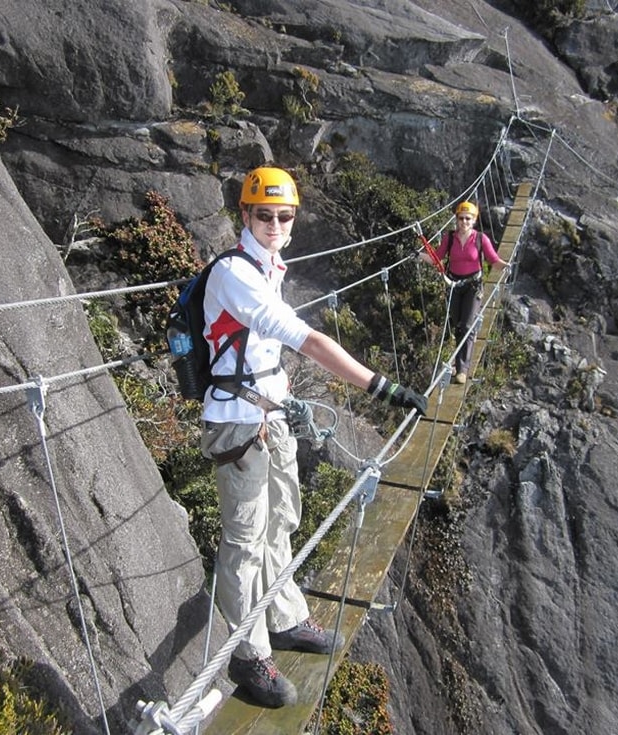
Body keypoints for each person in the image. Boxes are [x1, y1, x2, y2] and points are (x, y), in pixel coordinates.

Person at [199, 166, 427, 708]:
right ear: (244, 215)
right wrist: (382, 386)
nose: (274, 224)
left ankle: (283, 618)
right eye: (263, 215)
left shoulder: (268, 265)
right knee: (244, 542)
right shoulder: (235, 273)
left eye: (284, 215)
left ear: (293, 219)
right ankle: (247, 654)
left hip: (270, 415)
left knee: (283, 520)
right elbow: (309, 341)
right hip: (236, 421)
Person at [419, 200, 508, 384]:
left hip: (473, 286)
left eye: (468, 218)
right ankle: (458, 363)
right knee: (457, 325)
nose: (464, 222)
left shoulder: (481, 239)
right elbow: (437, 259)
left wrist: (505, 266)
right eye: (461, 218)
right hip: (453, 284)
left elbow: (493, 260)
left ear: (474, 220)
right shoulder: (449, 238)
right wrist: (419, 256)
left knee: (467, 325)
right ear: (456, 219)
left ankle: (462, 370)